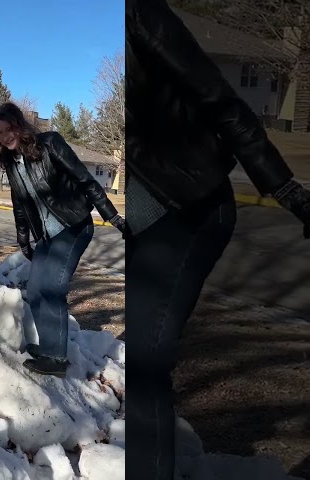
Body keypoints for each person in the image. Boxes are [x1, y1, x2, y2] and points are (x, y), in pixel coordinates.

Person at [125, 0, 310, 478]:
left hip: (191, 206)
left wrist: (284, 186)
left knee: (145, 364)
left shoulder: (140, 14)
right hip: (150, 214)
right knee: (142, 362)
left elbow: (221, 99)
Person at [0, 102, 125, 378]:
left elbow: (86, 180)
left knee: (53, 288)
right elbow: (20, 203)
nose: (5, 136)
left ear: (19, 124)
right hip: (46, 235)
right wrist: (24, 239)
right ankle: (49, 347)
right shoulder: (11, 162)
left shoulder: (49, 143)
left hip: (74, 225)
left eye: (8, 129)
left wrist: (113, 217)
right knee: (37, 289)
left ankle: (56, 358)